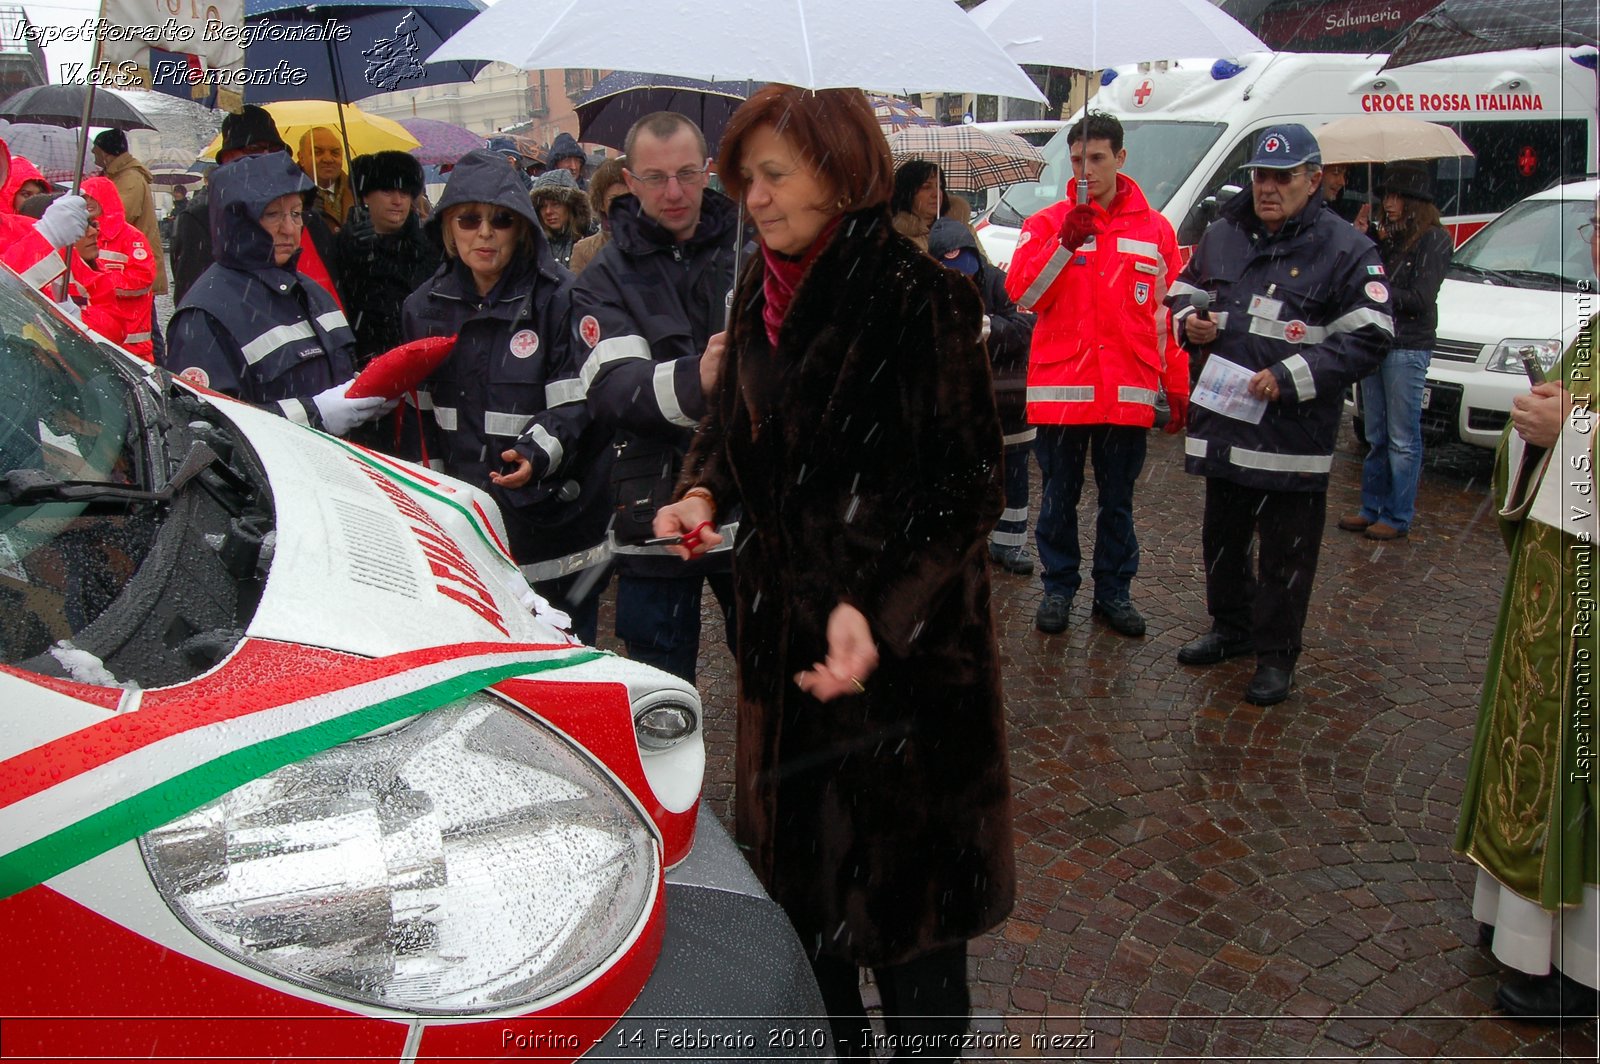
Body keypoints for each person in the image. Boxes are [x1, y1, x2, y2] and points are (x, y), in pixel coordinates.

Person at [652, 85, 1014, 1062]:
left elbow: (967, 489)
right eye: (747, 180)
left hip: (908, 671)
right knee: (809, 930)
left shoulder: (923, 296)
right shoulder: (754, 291)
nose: (755, 199)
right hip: (785, 657)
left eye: (773, 176)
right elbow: (733, 431)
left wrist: (877, 611)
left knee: (911, 934)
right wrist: (701, 493)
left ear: (839, 173)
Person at [1166, 124, 1392, 706]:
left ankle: (1276, 656)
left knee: (1287, 553)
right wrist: (1190, 324)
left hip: (1291, 435)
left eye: (1282, 177)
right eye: (1260, 177)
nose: (1267, 189)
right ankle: (1231, 629)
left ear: (1314, 180)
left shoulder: (1347, 249)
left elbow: (1371, 337)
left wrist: (1292, 377)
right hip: (1224, 426)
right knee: (1223, 538)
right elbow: (1181, 293)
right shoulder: (1222, 234)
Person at [1455, 203, 1599, 1022]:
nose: (1594, 239)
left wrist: (1570, 431)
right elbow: (1549, 427)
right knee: (1533, 752)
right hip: (1555, 587)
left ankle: (1584, 963)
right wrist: (1537, 432)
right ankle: (1523, 931)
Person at [399, 149, 612, 643]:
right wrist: (426, 500)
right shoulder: (420, 308)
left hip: (547, 518)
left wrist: (536, 454)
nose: (485, 233)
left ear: (521, 229)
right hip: (460, 524)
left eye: (501, 220)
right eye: (469, 219)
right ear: (448, 228)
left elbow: (577, 399)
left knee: (561, 657)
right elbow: (417, 421)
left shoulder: (561, 297)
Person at [563, 111, 739, 683]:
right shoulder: (602, 277)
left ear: (709, 171)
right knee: (659, 696)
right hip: (651, 505)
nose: (674, 192)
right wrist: (701, 377)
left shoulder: (752, 248)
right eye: (656, 178)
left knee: (779, 690)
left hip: (751, 500)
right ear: (630, 181)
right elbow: (614, 391)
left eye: (688, 174)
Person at [1005, 111, 1187, 638]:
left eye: (1098, 159)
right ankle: (1059, 588)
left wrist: (1177, 378)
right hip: (1064, 392)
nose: (1087, 170)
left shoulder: (1155, 231)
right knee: (1059, 497)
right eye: (1079, 159)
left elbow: (1166, 313)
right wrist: (1064, 243)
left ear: (1121, 158)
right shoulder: (1046, 224)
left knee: (1119, 501)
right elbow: (1024, 294)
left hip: (1125, 391)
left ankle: (1114, 592)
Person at [166, 152, 385, 437]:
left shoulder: (312, 293)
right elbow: (207, 431)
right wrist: (315, 415)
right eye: (271, 214)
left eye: (295, 214)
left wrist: (364, 392)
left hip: (335, 470)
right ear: (238, 222)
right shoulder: (204, 316)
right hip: (278, 479)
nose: (289, 228)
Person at [1338, 161, 1451, 541]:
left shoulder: (1433, 240)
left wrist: (1380, 293)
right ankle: (1371, 507)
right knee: (1376, 434)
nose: (1389, 203)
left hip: (1408, 345)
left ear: (1414, 201)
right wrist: (1364, 240)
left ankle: (1397, 513)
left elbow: (1420, 297)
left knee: (1402, 437)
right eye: (1387, 195)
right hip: (1378, 340)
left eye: (1396, 196)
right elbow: (1368, 275)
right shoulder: (1388, 238)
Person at [929, 216, 1038, 575]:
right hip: (962, 406)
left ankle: (1009, 544)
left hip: (1008, 403)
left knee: (1014, 474)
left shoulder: (999, 283)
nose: (963, 277)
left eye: (967, 268)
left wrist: (989, 329)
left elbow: (1025, 326)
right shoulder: (931, 292)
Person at [334, 150, 439, 368]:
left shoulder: (431, 244)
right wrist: (352, 252)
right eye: (387, 191)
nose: (398, 201)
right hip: (369, 363)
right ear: (365, 195)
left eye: (405, 192)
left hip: (423, 357)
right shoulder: (341, 248)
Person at [92, 127, 167, 360]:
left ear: (107, 154)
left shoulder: (130, 179)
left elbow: (119, 214)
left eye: (96, 152)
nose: (94, 157)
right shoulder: (118, 176)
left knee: (146, 325)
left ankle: (162, 371)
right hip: (127, 264)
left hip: (136, 263)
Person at [79, 176, 157, 359]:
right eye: (84, 199)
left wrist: (98, 281)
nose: (88, 203)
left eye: (93, 197)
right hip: (97, 337)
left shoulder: (131, 237)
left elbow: (143, 279)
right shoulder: (77, 235)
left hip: (132, 342)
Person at [568, 158, 626, 274]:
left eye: (629, 196)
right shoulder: (584, 250)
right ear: (601, 204)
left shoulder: (655, 243)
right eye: (613, 199)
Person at [528, 168, 593, 268]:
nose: (548, 211)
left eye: (555, 204)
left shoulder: (591, 241)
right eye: (542, 206)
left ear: (571, 206)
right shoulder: (530, 246)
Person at [297, 126, 355, 234]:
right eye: (318, 152)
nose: (328, 159)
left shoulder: (357, 192)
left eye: (335, 153)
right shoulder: (288, 196)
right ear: (301, 158)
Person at [889, 159, 945, 252]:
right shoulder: (896, 238)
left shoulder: (961, 229)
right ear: (907, 193)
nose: (937, 194)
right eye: (926, 187)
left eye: (939, 186)